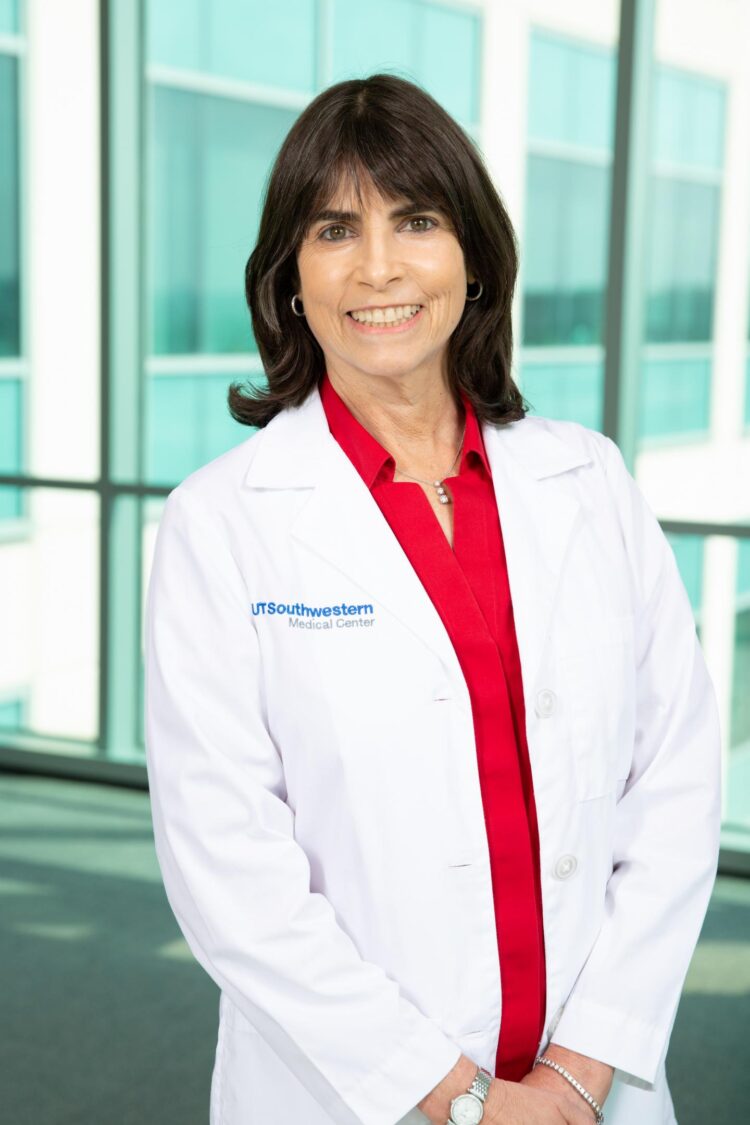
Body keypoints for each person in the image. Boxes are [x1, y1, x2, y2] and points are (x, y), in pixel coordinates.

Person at [144, 73, 722, 1125]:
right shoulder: (221, 523)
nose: (378, 267)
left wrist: (581, 1070)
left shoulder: (588, 480)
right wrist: (460, 1101)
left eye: (416, 220)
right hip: (355, 1095)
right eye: (334, 229)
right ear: (289, 278)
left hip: (592, 1090)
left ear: (473, 258)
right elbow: (228, 869)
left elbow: (675, 785)